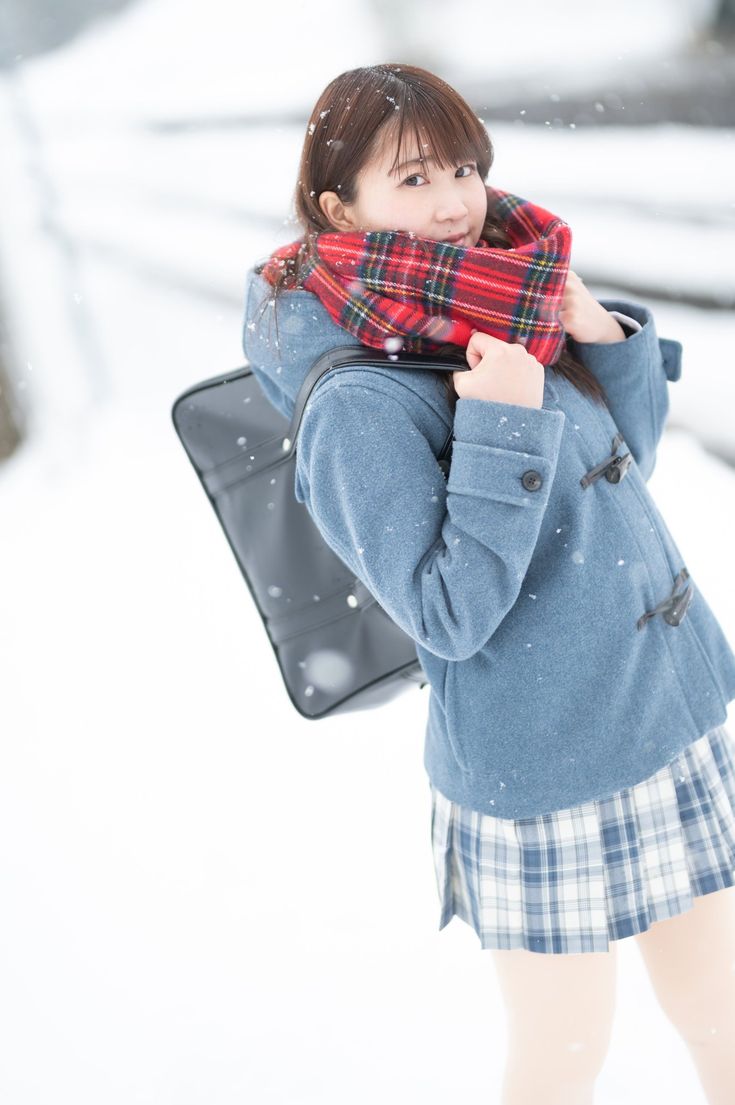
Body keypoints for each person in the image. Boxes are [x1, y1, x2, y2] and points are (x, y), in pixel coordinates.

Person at [241, 62, 735, 1105]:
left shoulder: (494, 295)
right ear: (340, 207)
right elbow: (447, 613)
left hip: (665, 716)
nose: (458, 199)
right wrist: (503, 419)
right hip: (542, 768)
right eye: (414, 178)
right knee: (564, 1058)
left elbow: (620, 473)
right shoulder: (357, 402)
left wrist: (599, 337)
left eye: (465, 166)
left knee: (720, 1007)